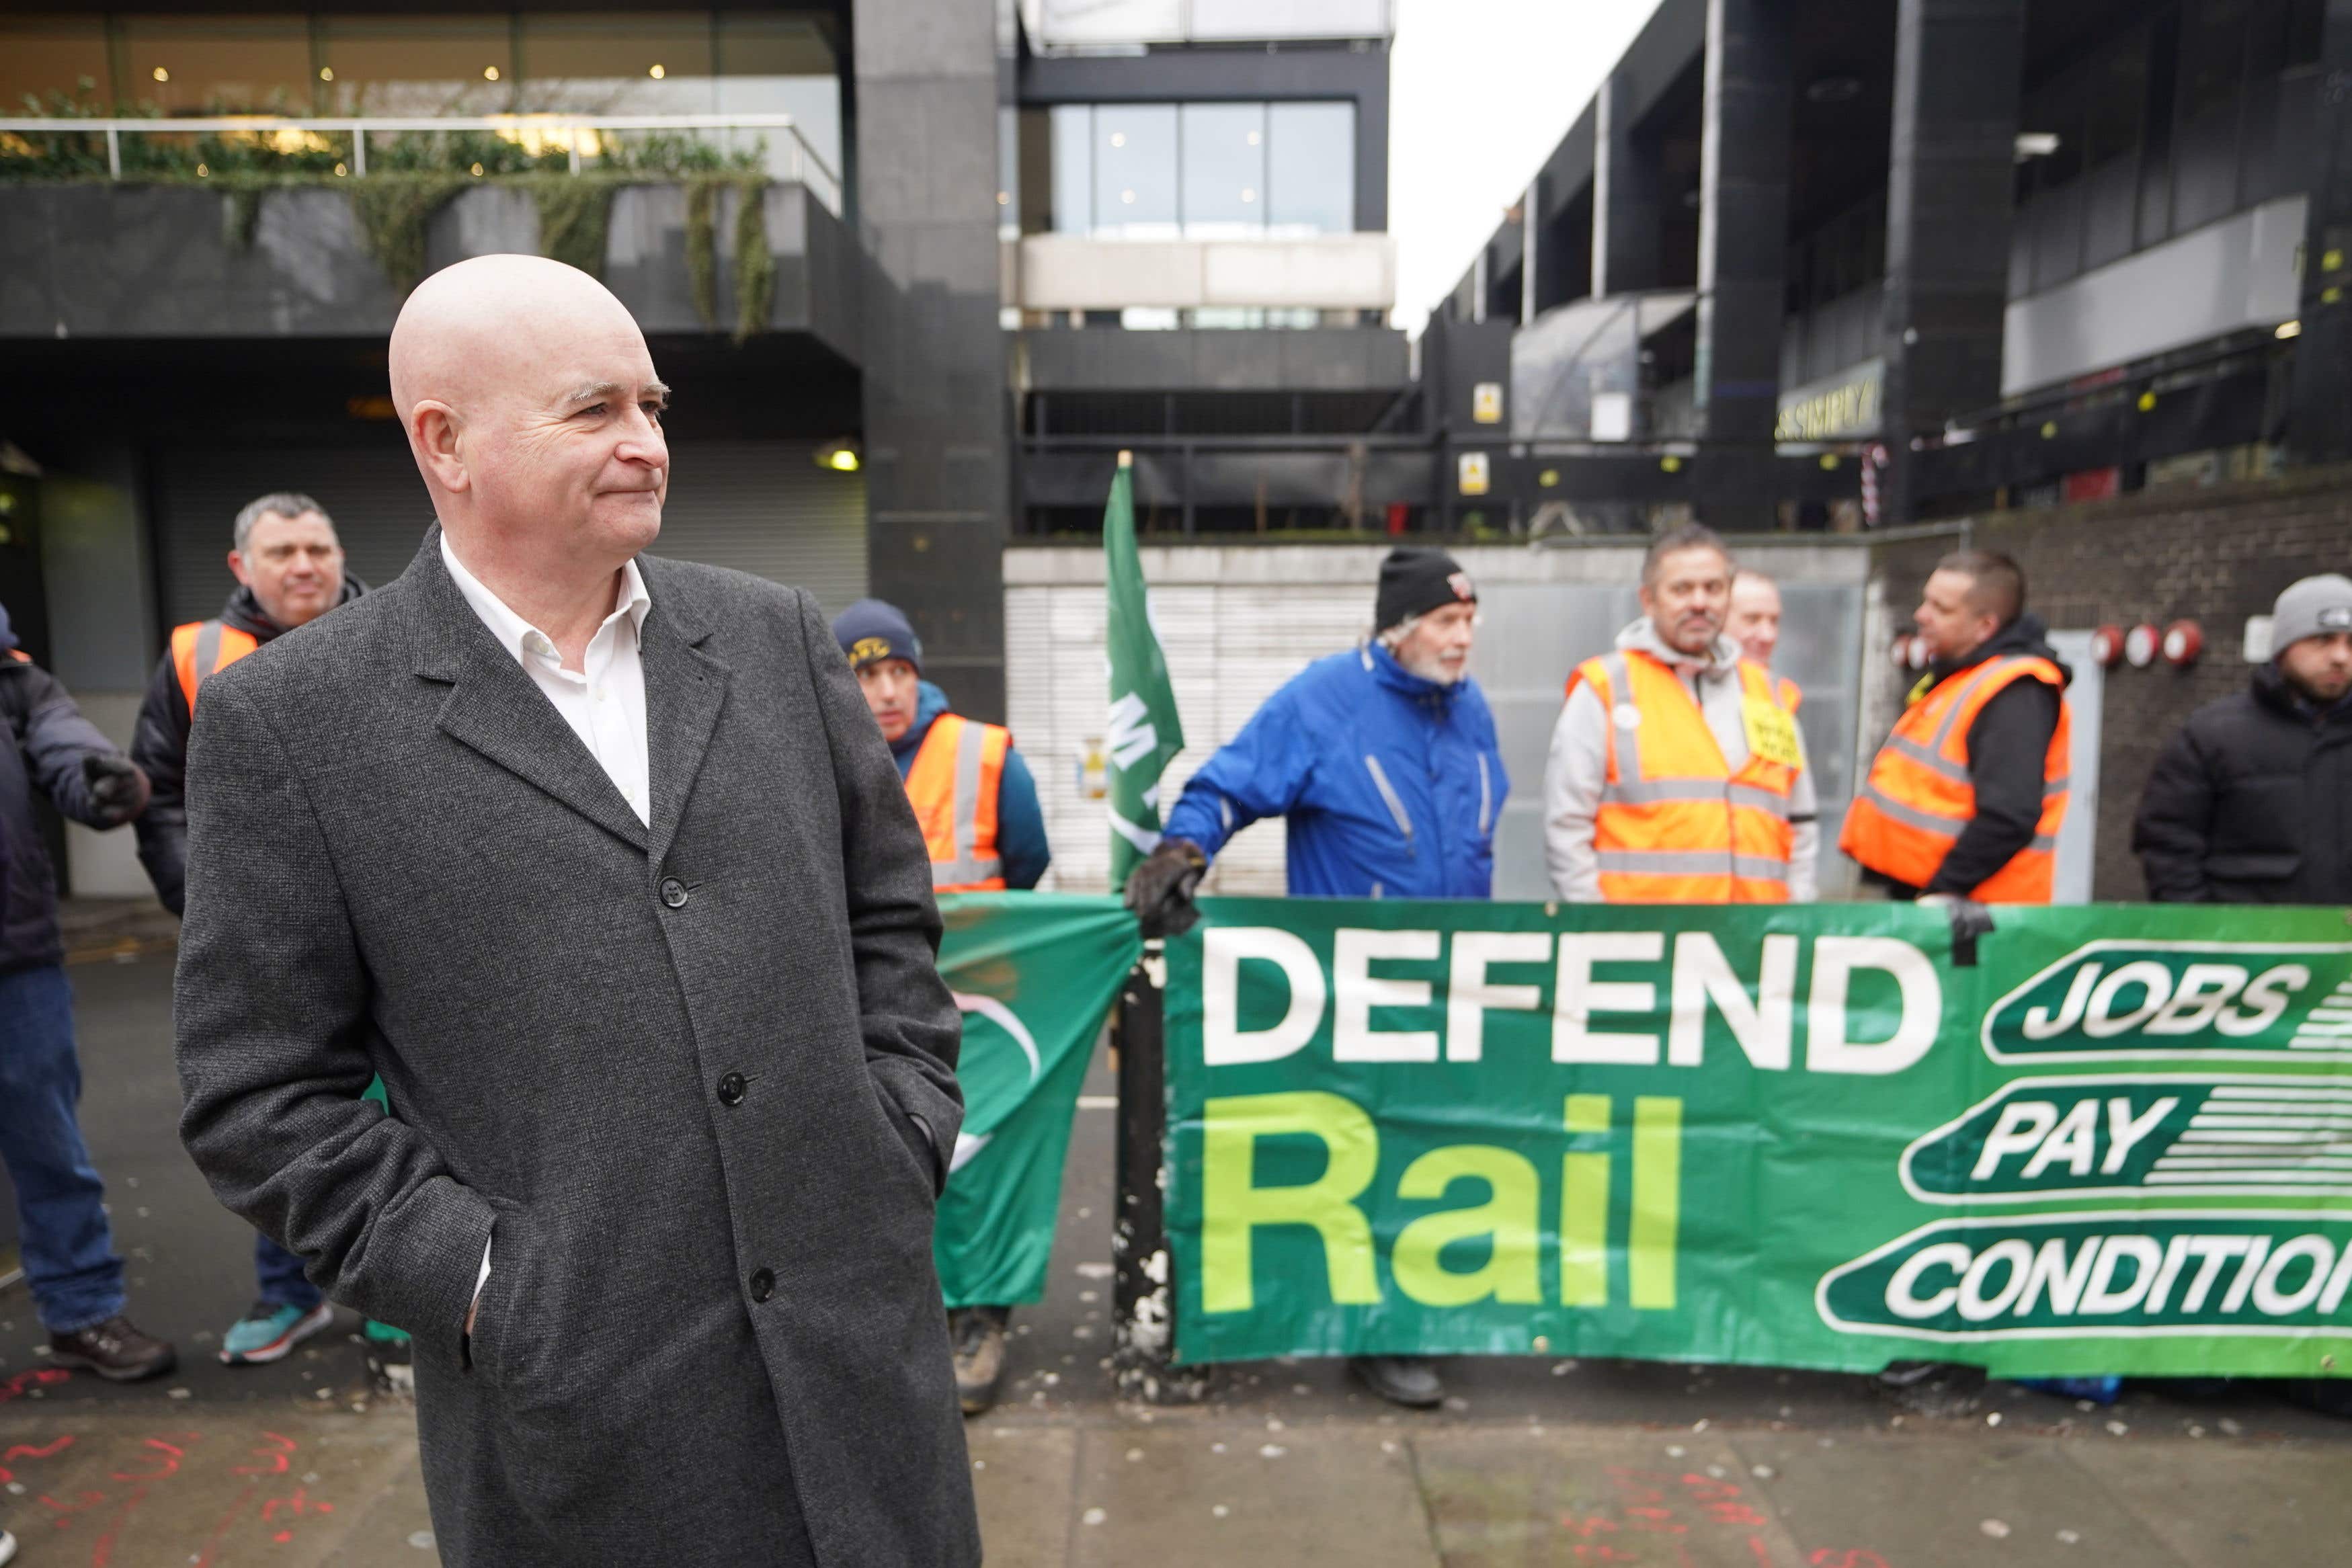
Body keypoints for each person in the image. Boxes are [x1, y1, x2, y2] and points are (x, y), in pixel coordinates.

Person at [173, 255, 978, 1567]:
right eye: (594, 409)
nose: (647, 444)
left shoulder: (775, 636)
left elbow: (888, 918)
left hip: (859, 1374)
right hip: (588, 1430)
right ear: (444, 441)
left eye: (653, 406)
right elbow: (256, 1091)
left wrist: (900, 1130)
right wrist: (484, 1281)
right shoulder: (293, 718)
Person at [1124, 546, 1506, 1409]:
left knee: (1433, 1153)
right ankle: (1367, 1331)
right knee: (1349, 1159)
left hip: (1453, 986)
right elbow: (1225, 786)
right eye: (1447, 621)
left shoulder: (1470, 707)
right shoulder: (1323, 699)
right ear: (1399, 628)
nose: (1463, 638)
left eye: (1470, 620)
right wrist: (1184, 849)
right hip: (1355, 990)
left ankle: (1404, 1316)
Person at [130, 491, 368, 1368]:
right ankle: (288, 1296)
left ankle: (400, 1299)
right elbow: (156, 792)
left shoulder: (393, 637)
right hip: (264, 949)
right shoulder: (198, 658)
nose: (304, 566)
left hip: (390, 932)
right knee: (280, 1116)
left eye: (318, 546)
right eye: (282, 552)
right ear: (242, 566)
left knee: (419, 1108)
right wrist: (213, 909)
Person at [832, 596, 1049, 1416]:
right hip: (864, 1001)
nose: (887, 691)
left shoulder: (988, 755)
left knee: (977, 1161)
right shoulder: (811, 753)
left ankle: (979, 1317)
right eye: (866, 674)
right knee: (882, 1157)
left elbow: (1026, 862)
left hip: (981, 1001)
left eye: (900, 671)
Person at [0, 602, 176, 1383]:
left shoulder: (13, 673)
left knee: (48, 1145)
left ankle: (81, 1311)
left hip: (16, 950)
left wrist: (109, 782)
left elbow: (65, 742)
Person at [1543, 525, 1818, 903]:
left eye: (1713, 588)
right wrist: (1597, 926)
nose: (1700, 602)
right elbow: (1567, 826)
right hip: (1642, 941)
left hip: (1755, 938)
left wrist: (1797, 916)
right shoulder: (1606, 688)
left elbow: (1800, 822)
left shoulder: (1770, 695)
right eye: (1682, 589)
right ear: (1648, 600)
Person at [1842, 550, 2072, 904]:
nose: (1921, 616)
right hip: (1925, 899)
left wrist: (1941, 892)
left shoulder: (2014, 691)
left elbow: (2009, 816)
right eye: (1926, 602)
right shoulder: (1964, 676)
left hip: (1965, 915)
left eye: (1941, 609)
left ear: (1986, 627)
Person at [2134, 574, 2352, 905]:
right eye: (2322, 639)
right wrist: (2203, 932)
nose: (2341, 657)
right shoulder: (2211, 735)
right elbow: (2169, 844)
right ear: (2282, 649)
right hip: (2244, 949)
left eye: (2351, 643)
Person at [1727, 566, 1802, 711]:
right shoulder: (1689, 686)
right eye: (1752, 619)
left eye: (1774, 621)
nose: (1768, 636)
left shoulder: (1783, 694)